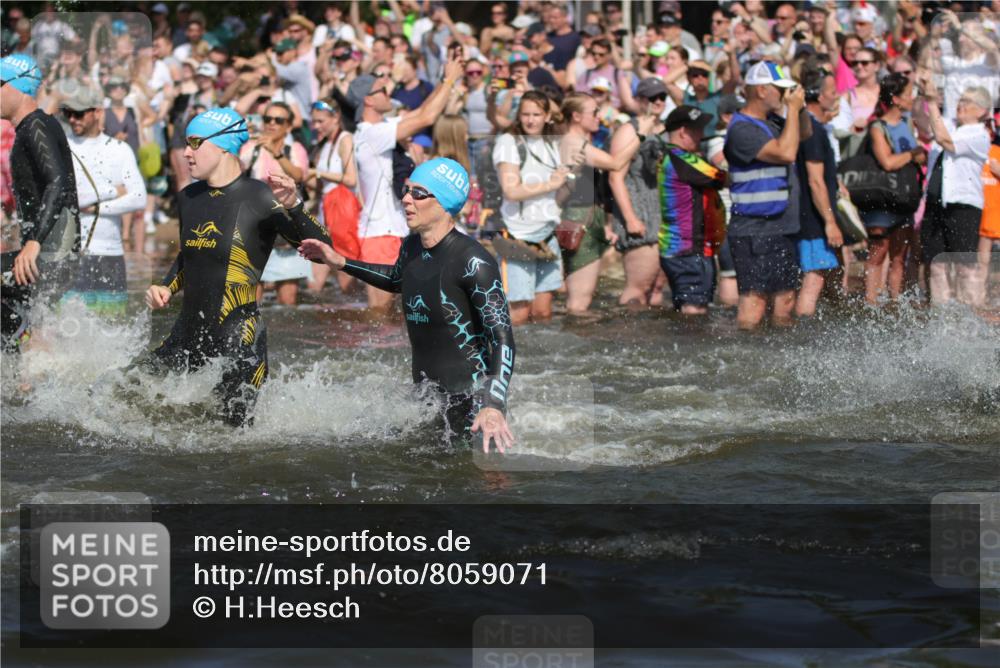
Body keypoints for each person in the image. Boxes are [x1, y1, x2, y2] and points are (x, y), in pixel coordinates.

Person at [299, 157, 515, 452]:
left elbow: (502, 339)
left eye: (418, 193)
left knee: (471, 476)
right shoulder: (411, 246)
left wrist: (493, 404)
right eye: (406, 190)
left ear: (444, 202)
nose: (406, 199)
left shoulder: (474, 261)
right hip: (426, 399)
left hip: (472, 404)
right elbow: (397, 279)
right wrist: (341, 262)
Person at [141, 108, 331, 426]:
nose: (186, 152)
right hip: (185, 336)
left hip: (238, 340)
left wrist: (296, 207)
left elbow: (324, 252)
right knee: (117, 395)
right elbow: (190, 256)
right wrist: (165, 286)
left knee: (233, 438)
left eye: (195, 142)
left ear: (224, 146)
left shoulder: (259, 196)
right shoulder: (188, 197)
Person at [346, 50, 464, 310]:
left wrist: (445, 79)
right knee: (379, 314)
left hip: (396, 232)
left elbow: (422, 111)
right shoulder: (371, 133)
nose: (389, 91)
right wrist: (449, 81)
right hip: (379, 234)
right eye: (382, 89)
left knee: (397, 315)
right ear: (368, 100)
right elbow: (427, 118)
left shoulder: (382, 126)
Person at [0, 53, 79, 351]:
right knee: (22, 328)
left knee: (25, 329)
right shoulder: (31, 127)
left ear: (19, 86)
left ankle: (25, 339)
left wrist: (33, 243)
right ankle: (24, 351)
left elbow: (58, 183)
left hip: (51, 254)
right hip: (45, 253)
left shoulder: (36, 126)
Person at [723, 62, 809, 330]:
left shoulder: (772, 122)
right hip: (754, 228)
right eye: (779, 90)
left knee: (785, 300)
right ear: (761, 90)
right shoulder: (742, 129)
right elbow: (786, 152)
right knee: (755, 303)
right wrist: (792, 109)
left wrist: (800, 109)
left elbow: (804, 133)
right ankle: (747, 351)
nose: (784, 96)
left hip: (782, 226)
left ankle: (779, 350)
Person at [61, 84, 146, 317]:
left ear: (97, 112)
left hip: (111, 254)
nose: (72, 119)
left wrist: (98, 208)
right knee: (67, 325)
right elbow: (66, 196)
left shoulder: (120, 149)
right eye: (68, 113)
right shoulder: (62, 146)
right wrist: (111, 190)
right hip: (71, 253)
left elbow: (139, 198)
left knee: (113, 325)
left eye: (78, 113)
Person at [558, 93, 643, 314]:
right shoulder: (574, 143)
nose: (599, 116)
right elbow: (615, 164)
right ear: (576, 116)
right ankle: (574, 336)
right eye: (594, 112)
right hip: (580, 221)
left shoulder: (576, 141)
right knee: (579, 301)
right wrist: (640, 135)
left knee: (577, 295)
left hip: (583, 218)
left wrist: (605, 224)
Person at [492, 90, 568, 325]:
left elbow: (562, 115)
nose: (531, 120)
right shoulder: (508, 142)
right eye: (525, 114)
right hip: (518, 235)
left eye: (537, 114)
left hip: (547, 232)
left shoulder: (552, 141)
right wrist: (551, 184)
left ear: (547, 116)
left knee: (543, 312)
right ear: (518, 115)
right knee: (519, 314)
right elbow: (511, 191)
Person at [920, 81, 992, 305]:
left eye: (967, 102)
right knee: (936, 264)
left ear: (982, 110)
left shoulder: (979, 135)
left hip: (963, 205)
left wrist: (932, 102)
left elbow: (945, 140)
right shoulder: (949, 126)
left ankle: (971, 315)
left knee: (965, 265)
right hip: (936, 203)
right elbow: (926, 124)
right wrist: (924, 94)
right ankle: (940, 315)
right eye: (960, 101)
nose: (960, 105)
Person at [657, 105, 728, 315]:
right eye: (697, 129)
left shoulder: (671, 156)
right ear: (682, 132)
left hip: (679, 249)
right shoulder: (682, 158)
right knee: (694, 312)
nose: (702, 135)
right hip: (688, 250)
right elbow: (722, 178)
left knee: (685, 311)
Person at [862, 73, 925, 305]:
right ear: (896, 99)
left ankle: (895, 304)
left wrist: (915, 156)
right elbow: (887, 162)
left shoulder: (908, 123)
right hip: (881, 199)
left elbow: (921, 156)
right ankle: (871, 303)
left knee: (899, 257)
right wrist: (912, 154)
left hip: (905, 197)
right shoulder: (878, 127)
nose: (912, 98)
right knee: (878, 253)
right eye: (909, 94)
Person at [239, 101, 311, 306]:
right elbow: (234, 169)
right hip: (255, 229)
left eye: (278, 120)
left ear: (288, 126)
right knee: (251, 301)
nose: (271, 123)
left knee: (288, 301)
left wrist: (277, 153)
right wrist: (241, 139)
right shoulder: (251, 148)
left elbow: (299, 176)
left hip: (286, 229)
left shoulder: (294, 149)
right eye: (267, 119)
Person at [608, 78, 670, 306]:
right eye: (653, 97)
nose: (659, 102)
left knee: (658, 287)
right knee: (639, 286)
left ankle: (652, 330)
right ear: (640, 100)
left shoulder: (667, 129)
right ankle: (625, 329)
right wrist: (630, 218)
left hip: (663, 214)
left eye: (662, 97)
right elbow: (615, 177)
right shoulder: (629, 130)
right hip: (638, 211)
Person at [794, 68, 844, 318]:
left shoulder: (808, 126)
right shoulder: (813, 131)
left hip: (803, 215)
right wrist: (830, 222)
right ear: (818, 96)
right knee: (813, 279)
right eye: (832, 92)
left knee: (820, 277)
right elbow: (815, 182)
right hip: (813, 220)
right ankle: (803, 333)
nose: (836, 96)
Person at [308, 98, 357, 294]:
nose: (316, 126)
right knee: (313, 282)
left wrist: (317, 173)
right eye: (314, 121)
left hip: (342, 212)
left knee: (345, 277)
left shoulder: (345, 139)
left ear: (336, 117)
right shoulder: (325, 143)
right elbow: (324, 184)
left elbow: (351, 179)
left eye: (321, 121)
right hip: (325, 211)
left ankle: (351, 312)